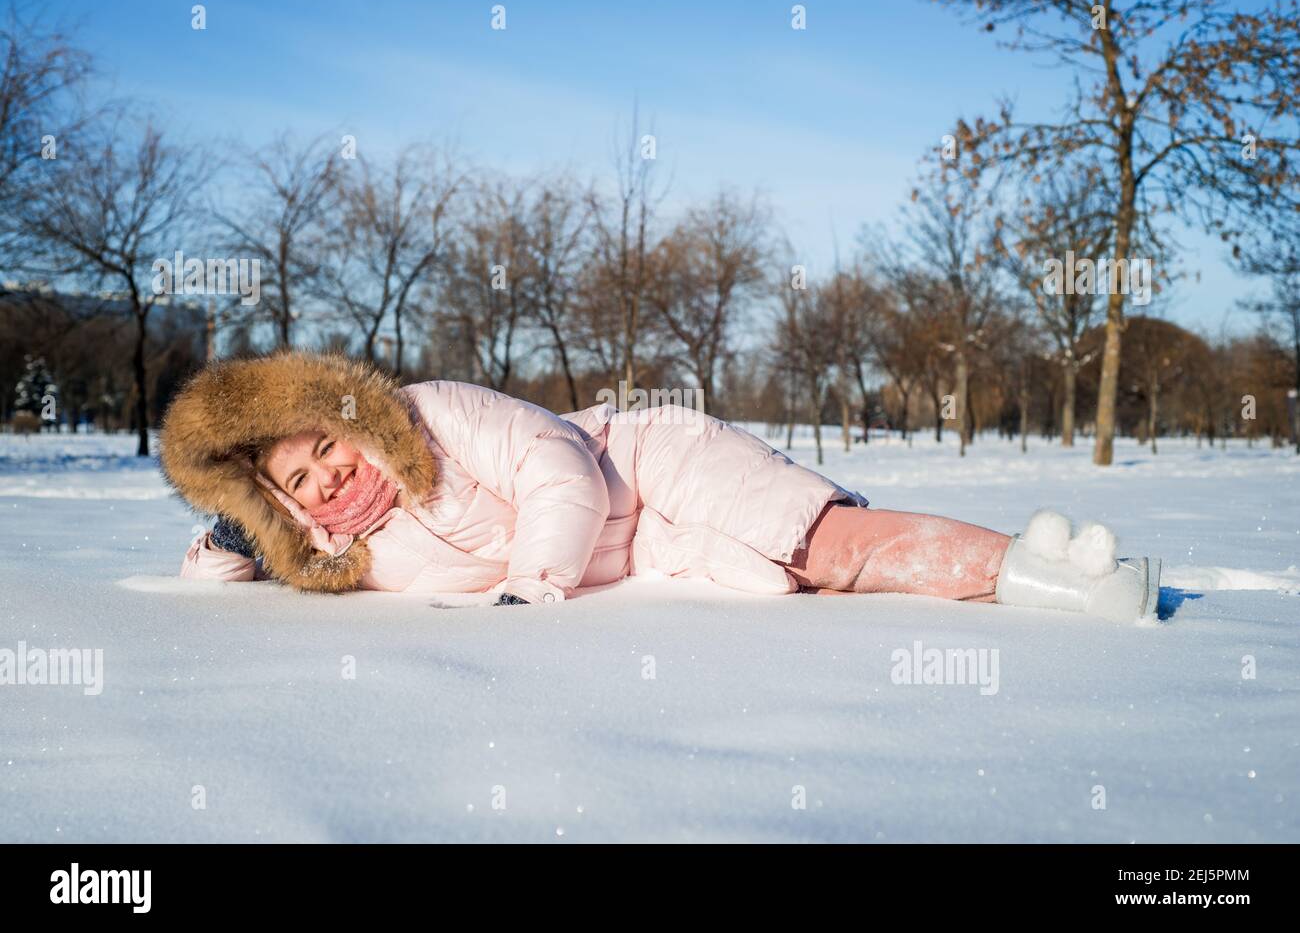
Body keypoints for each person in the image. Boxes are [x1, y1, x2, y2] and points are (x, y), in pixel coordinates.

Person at [160, 351, 1160, 622]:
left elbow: (556, 467)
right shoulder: (342, 555)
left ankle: (1052, 579)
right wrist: (237, 543)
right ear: (287, 500)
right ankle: (1031, 571)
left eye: (328, 443)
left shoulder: (427, 414)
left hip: (646, 464)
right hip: (653, 553)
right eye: (302, 477)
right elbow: (227, 564)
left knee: (823, 542)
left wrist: (536, 583)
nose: (334, 470)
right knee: (812, 580)